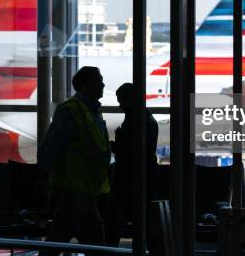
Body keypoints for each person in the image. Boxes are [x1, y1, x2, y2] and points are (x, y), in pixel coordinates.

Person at [37, 66, 111, 253]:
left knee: (58, 238)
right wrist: (42, 178)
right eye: (97, 80)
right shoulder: (71, 111)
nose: (102, 84)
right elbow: (51, 147)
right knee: (95, 242)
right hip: (74, 191)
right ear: (84, 85)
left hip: (84, 191)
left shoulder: (92, 111)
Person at [106, 83, 159, 247]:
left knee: (115, 223)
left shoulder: (135, 121)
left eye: (121, 100)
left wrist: (113, 147)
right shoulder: (146, 119)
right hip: (141, 180)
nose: (120, 105)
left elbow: (130, 151)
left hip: (129, 182)